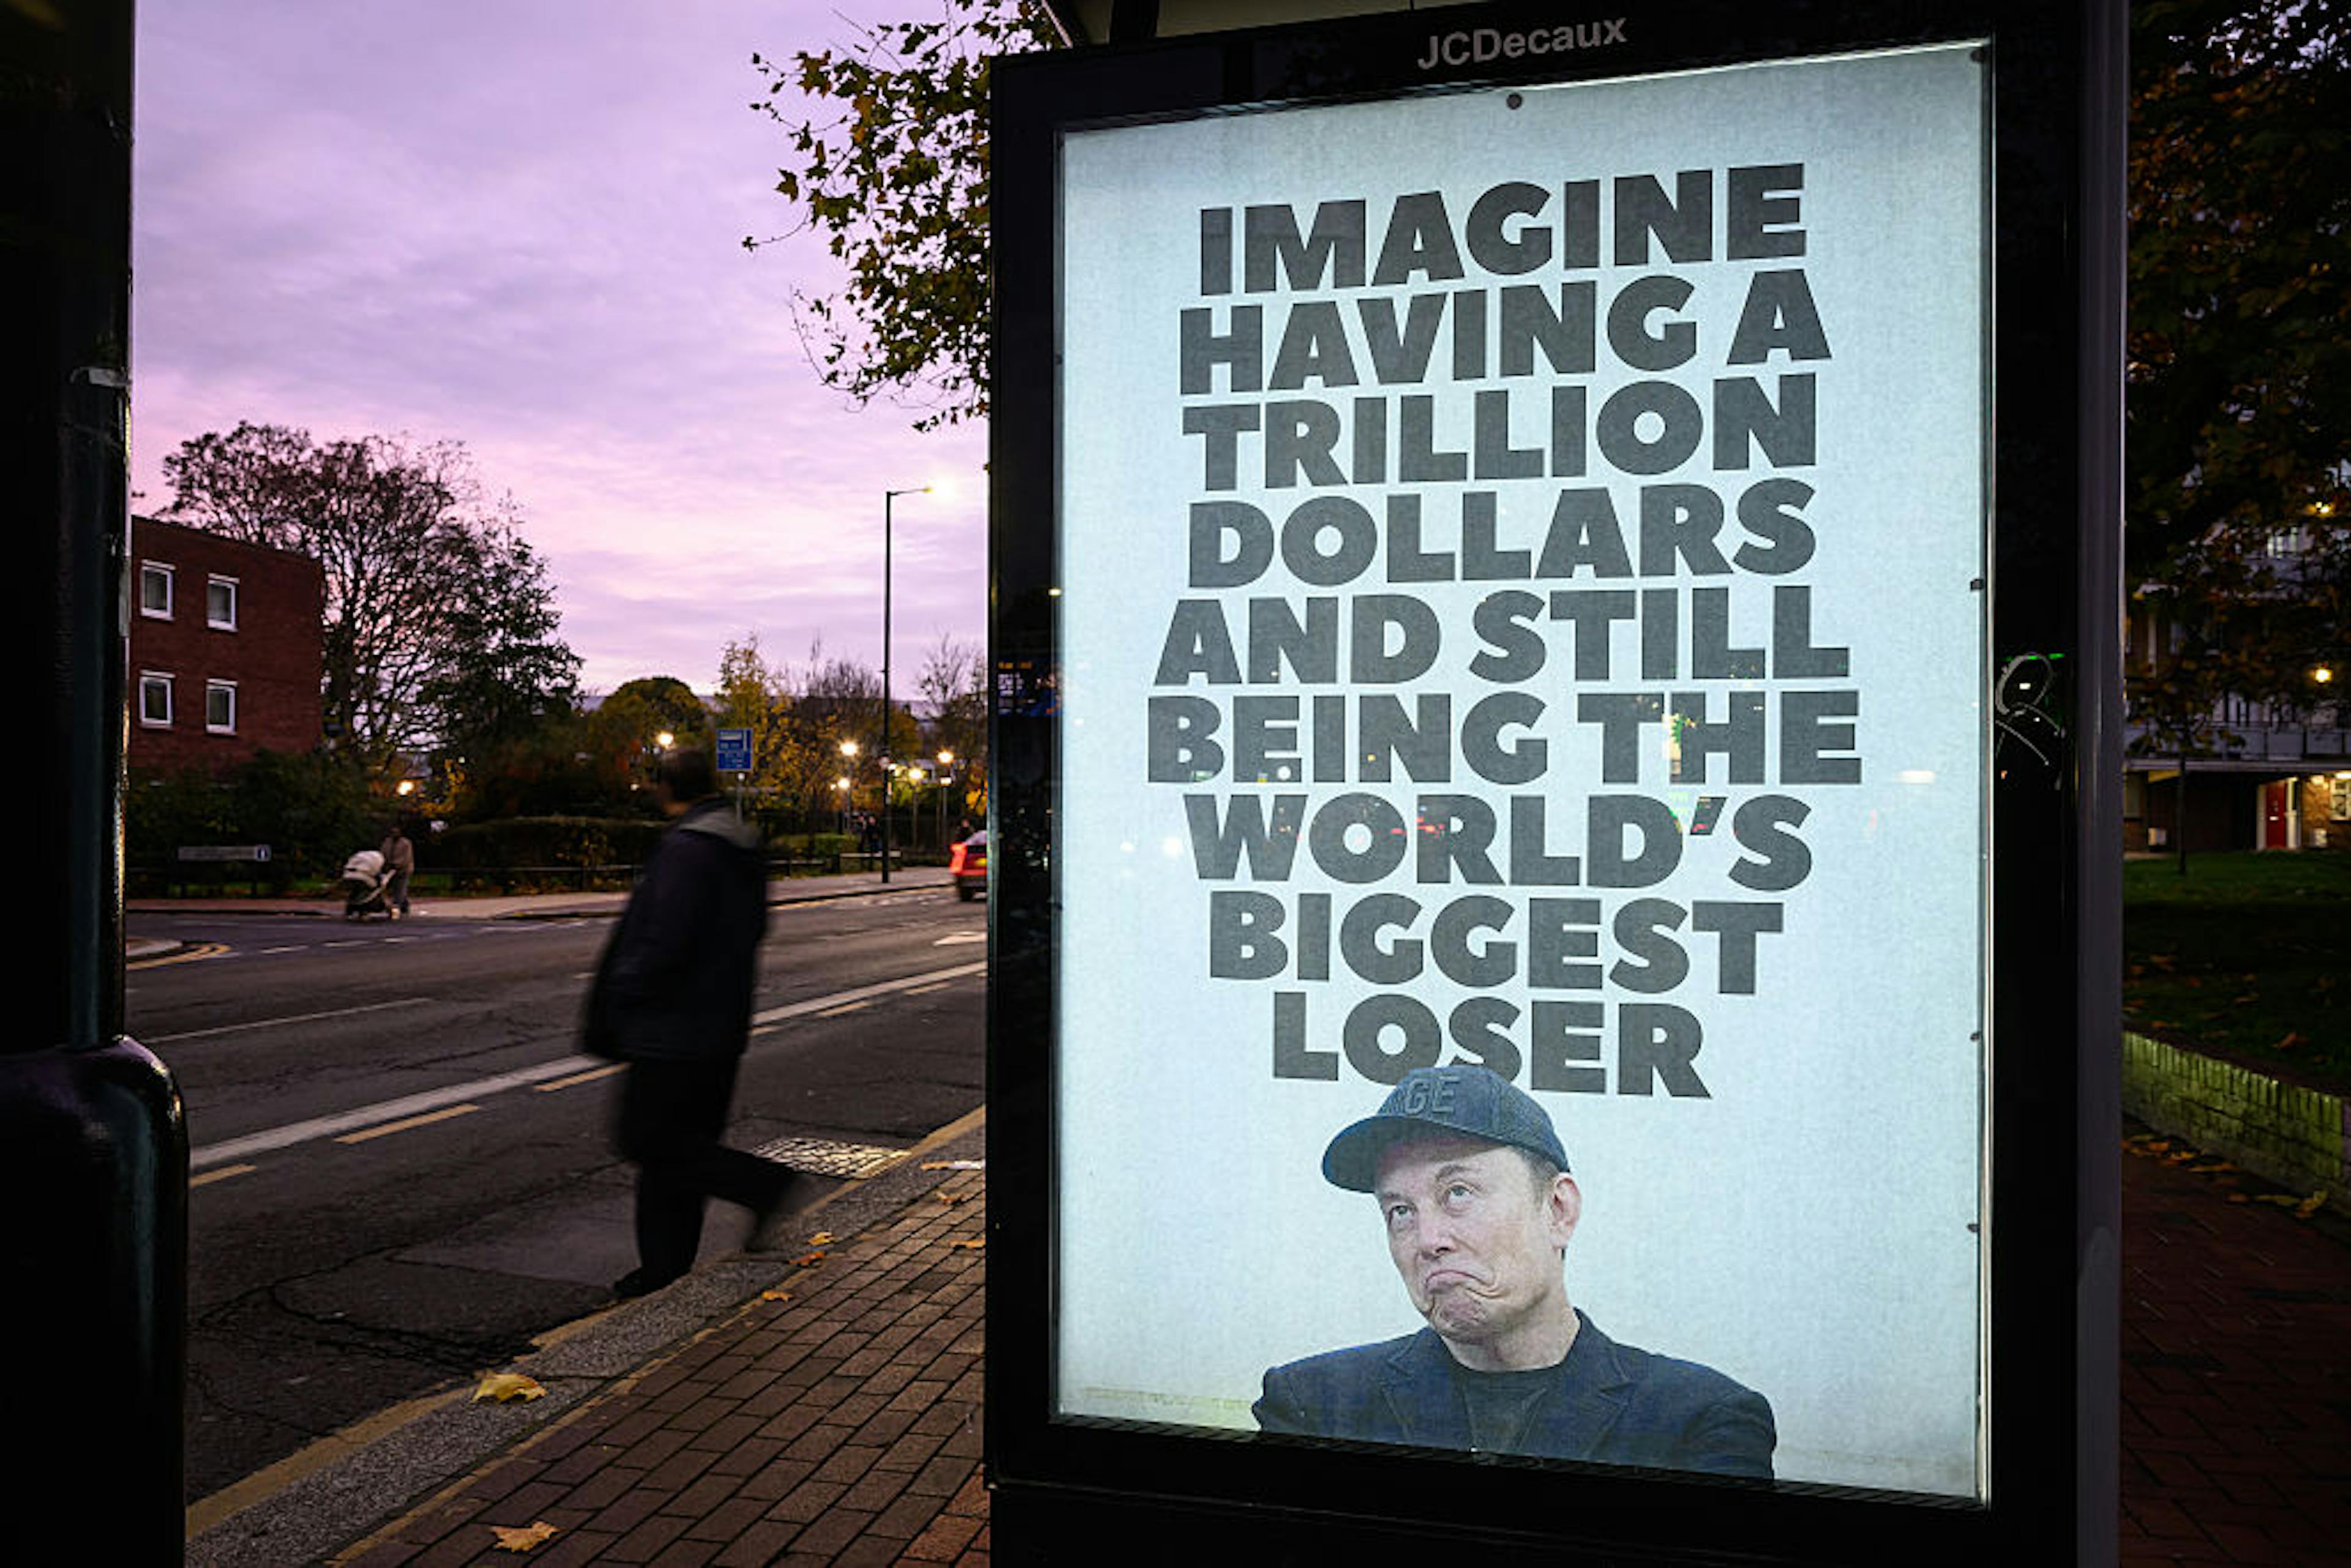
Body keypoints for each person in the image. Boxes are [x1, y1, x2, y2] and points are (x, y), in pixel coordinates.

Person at [1254, 1065, 1775, 1478]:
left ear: (1558, 1209)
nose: (1429, 1239)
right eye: (1400, 1211)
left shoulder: (1700, 1421)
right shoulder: (1313, 1406)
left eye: (1457, 1192)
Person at [584, 747, 811, 1299]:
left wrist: (625, 991)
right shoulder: (741, 845)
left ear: (667, 787)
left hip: (669, 1027)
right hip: (721, 1024)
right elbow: (753, 928)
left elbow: (662, 936)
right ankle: (664, 1270)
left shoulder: (687, 849)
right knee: (681, 1148)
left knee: (648, 1139)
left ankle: (764, 1185)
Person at [378, 820, 415, 919]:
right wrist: (383, 863)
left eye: (396, 832)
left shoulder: (406, 843)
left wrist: (396, 864)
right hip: (390, 869)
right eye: (393, 832)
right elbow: (383, 853)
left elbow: (406, 857)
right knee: (395, 888)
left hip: (403, 869)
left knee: (400, 888)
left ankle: (398, 906)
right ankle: (404, 905)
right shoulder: (387, 842)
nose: (394, 833)